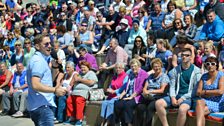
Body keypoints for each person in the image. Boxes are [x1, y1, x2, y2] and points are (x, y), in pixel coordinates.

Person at [26, 34, 67, 126]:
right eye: (46, 44)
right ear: (37, 46)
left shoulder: (40, 60)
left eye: (50, 43)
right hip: (42, 107)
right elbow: (35, 84)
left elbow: (46, 81)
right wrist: (55, 90)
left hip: (40, 105)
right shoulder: (38, 61)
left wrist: (56, 68)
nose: (49, 46)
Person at [155, 48, 201, 126]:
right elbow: (172, 86)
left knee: (182, 109)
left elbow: (195, 90)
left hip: (188, 97)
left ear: (191, 57)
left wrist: (182, 98)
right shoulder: (174, 70)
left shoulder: (197, 71)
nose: (184, 57)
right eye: (182, 55)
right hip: (175, 95)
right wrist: (173, 97)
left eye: (187, 55)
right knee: (158, 103)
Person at [134, 58, 170, 126]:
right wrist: (145, 92)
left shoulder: (164, 76)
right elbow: (145, 88)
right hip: (148, 97)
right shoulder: (150, 76)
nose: (156, 68)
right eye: (154, 66)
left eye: (158, 66)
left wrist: (150, 92)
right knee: (140, 107)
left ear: (161, 66)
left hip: (158, 97)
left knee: (150, 107)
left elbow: (162, 90)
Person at [114, 59, 148, 126]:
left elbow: (140, 88)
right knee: (118, 104)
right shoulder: (131, 74)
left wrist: (131, 97)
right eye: (132, 66)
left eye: (135, 66)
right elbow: (127, 87)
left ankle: (129, 124)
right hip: (129, 95)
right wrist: (121, 95)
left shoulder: (143, 73)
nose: (133, 68)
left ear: (139, 66)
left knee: (128, 105)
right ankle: (118, 122)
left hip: (138, 96)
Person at [66, 61, 98, 125]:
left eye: (84, 67)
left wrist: (80, 80)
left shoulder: (91, 73)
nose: (82, 69)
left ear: (88, 67)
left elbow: (91, 82)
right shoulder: (79, 73)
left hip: (84, 92)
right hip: (75, 92)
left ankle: (79, 119)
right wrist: (75, 78)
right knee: (69, 100)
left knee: (79, 100)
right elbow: (72, 83)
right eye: (81, 67)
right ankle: (72, 117)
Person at [195, 57, 224, 126]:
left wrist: (205, 92)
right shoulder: (204, 76)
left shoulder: (221, 75)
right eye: (208, 64)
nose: (210, 65)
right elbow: (198, 92)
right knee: (201, 109)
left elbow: (220, 92)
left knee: (199, 108)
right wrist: (213, 92)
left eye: (212, 64)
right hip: (206, 102)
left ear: (216, 65)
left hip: (218, 102)